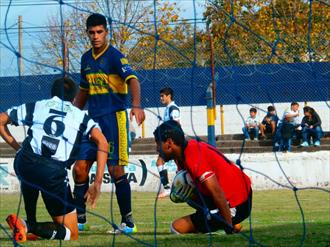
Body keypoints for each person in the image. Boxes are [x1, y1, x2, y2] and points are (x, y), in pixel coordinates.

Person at [0, 77, 108, 242]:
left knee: (30, 175)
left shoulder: (37, 105)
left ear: (52, 93)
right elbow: (102, 142)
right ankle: (28, 225)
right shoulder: (81, 117)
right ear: (74, 98)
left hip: (24, 162)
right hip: (52, 171)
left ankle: (29, 226)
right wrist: (98, 181)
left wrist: (18, 148)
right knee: (71, 233)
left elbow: (1, 120)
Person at [72, 13, 145, 234]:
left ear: (106, 32)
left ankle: (128, 222)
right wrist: (73, 115)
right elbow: (84, 91)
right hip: (91, 121)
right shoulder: (86, 59)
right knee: (80, 168)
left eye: (99, 32)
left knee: (115, 170)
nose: (95, 36)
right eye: (92, 32)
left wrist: (137, 105)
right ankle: (80, 218)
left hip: (114, 118)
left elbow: (133, 80)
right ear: (87, 33)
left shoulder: (114, 56)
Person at [153, 120, 252, 234]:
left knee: (176, 228)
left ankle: (228, 223)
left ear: (169, 143)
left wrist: (227, 228)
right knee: (190, 197)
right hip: (239, 196)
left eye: (158, 143)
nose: (157, 148)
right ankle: (226, 221)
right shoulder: (184, 153)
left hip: (238, 203)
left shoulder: (192, 156)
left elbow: (217, 193)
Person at [157, 87, 181, 198]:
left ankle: (183, 188)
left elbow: (177, 125)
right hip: (168, 143)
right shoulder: (167, 109)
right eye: (160, 96)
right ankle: (167, 188)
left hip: (174, 143)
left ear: (169, 96)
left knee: (180, 166)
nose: (161, 98)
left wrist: (173, 142)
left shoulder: (173, 109)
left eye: (163, 96)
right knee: (160, 162)